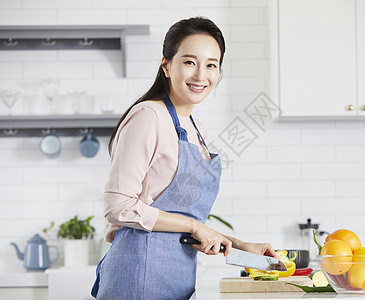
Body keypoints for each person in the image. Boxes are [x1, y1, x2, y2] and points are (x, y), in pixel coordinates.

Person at [91, 17, 276, 300]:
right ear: (166, 65)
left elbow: (184, 219)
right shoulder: (148, 117)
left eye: (211, 65)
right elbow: (118, 205)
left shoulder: (195, 128)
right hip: (139, 277)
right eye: (190, 62)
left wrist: (239, 245)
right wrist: (194, 227)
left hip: (174, 278)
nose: (201, 75)